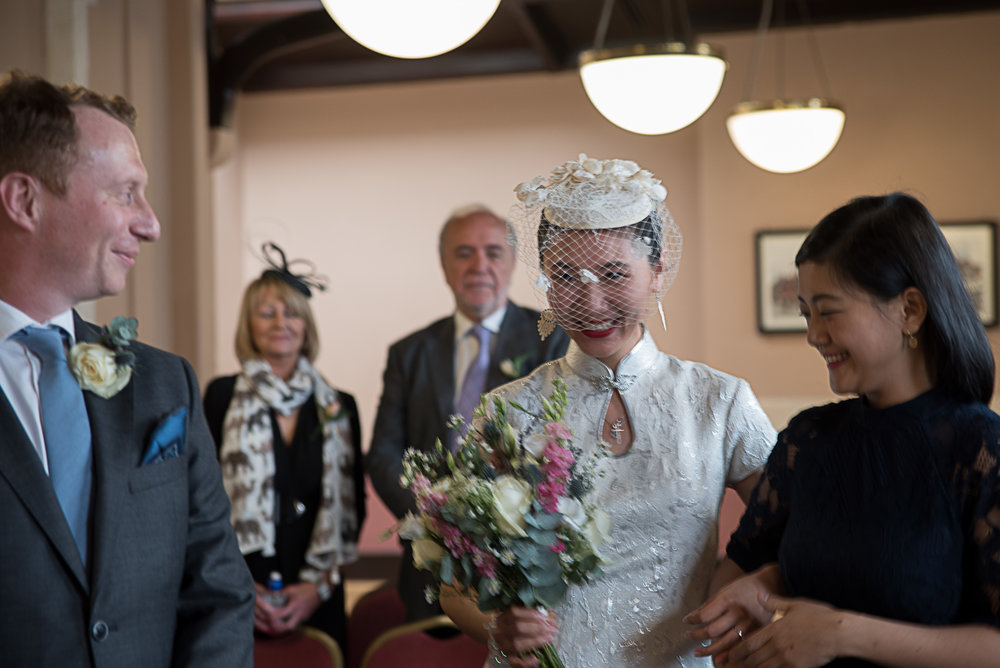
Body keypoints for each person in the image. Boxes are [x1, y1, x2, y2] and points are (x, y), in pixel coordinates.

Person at [439, 154, 777, 667]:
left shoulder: (719, 401)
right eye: (567, 276)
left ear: (658, 272)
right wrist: (495, 624)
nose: (591, 303)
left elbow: (797, 527)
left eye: (614, 274)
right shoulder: (507, 409)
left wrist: (749, 585)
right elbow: (452, 581)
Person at [0, 71, 253, 666]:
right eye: (125, 193)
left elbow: (218, 591)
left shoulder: (167, 385)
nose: (151, 223)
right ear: (24, 201)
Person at [686, 193, 1000, 667]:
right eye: (806, 313)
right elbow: (738, 570)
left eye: (828, 311)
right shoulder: (807, 440)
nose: (813, 334)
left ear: (909, 309)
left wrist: (840, 634)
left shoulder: (981, 450)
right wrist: (758, 588)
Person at [367, 204, 570, 621]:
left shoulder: (550, 339)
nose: (479, 265)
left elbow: (561, 446)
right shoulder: (409, 353)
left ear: (513, 262)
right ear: (444, 266)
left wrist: (500, 524)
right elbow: (384, 454)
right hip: (429, 565)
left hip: (522, 565)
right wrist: (434, 519)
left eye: (493, 252)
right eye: (464, 253)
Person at [203, 243, 365, 652]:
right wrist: (238, 582)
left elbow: (353, 507)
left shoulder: (338, 406)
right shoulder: (221, 396)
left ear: (306, 325)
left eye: (292, 312)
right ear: (249, 324)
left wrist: (316, 588)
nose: (281, 322)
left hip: (318, 592)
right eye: (267, 312)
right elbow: (203, 502)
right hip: (241, 589)